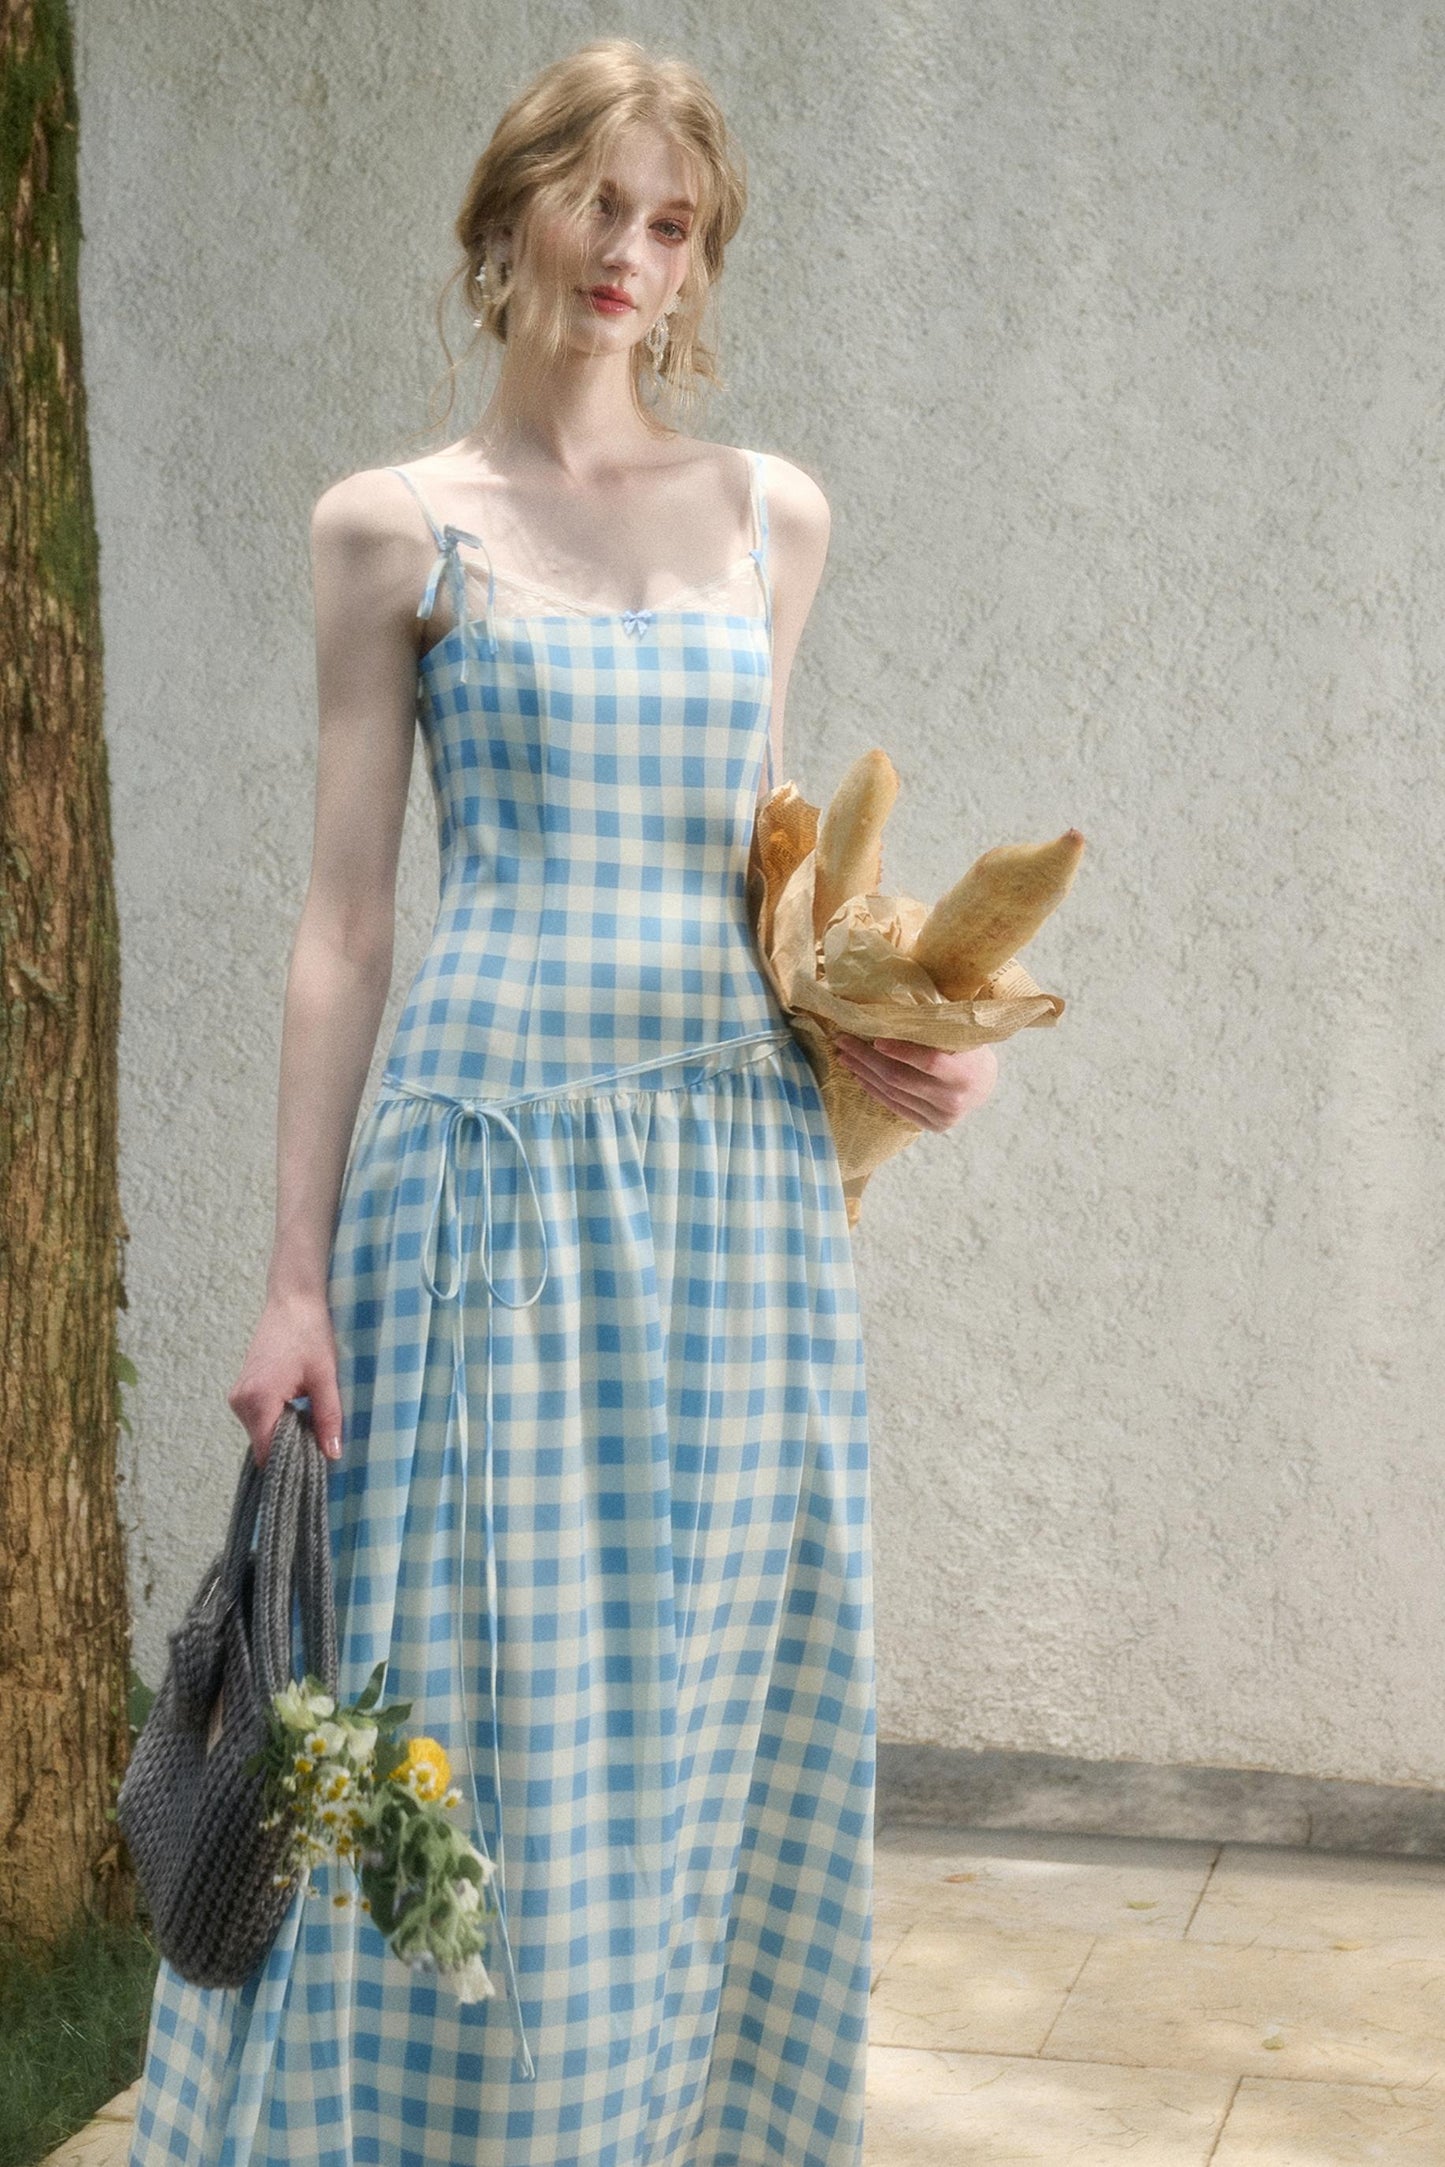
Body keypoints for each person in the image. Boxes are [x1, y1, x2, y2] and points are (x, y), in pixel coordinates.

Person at [128, 37, 998, 2167]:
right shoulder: (391, 530)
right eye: (595, 202)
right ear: (508, 211)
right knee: (476, 1708)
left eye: (670, 220)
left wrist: (881, 1025)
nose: (629, 252)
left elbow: (758, 879)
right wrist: (290, 1280)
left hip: (730, 1189)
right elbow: (344, 926)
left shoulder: (769, 516)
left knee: (706, 1702)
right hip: (484, 1194)